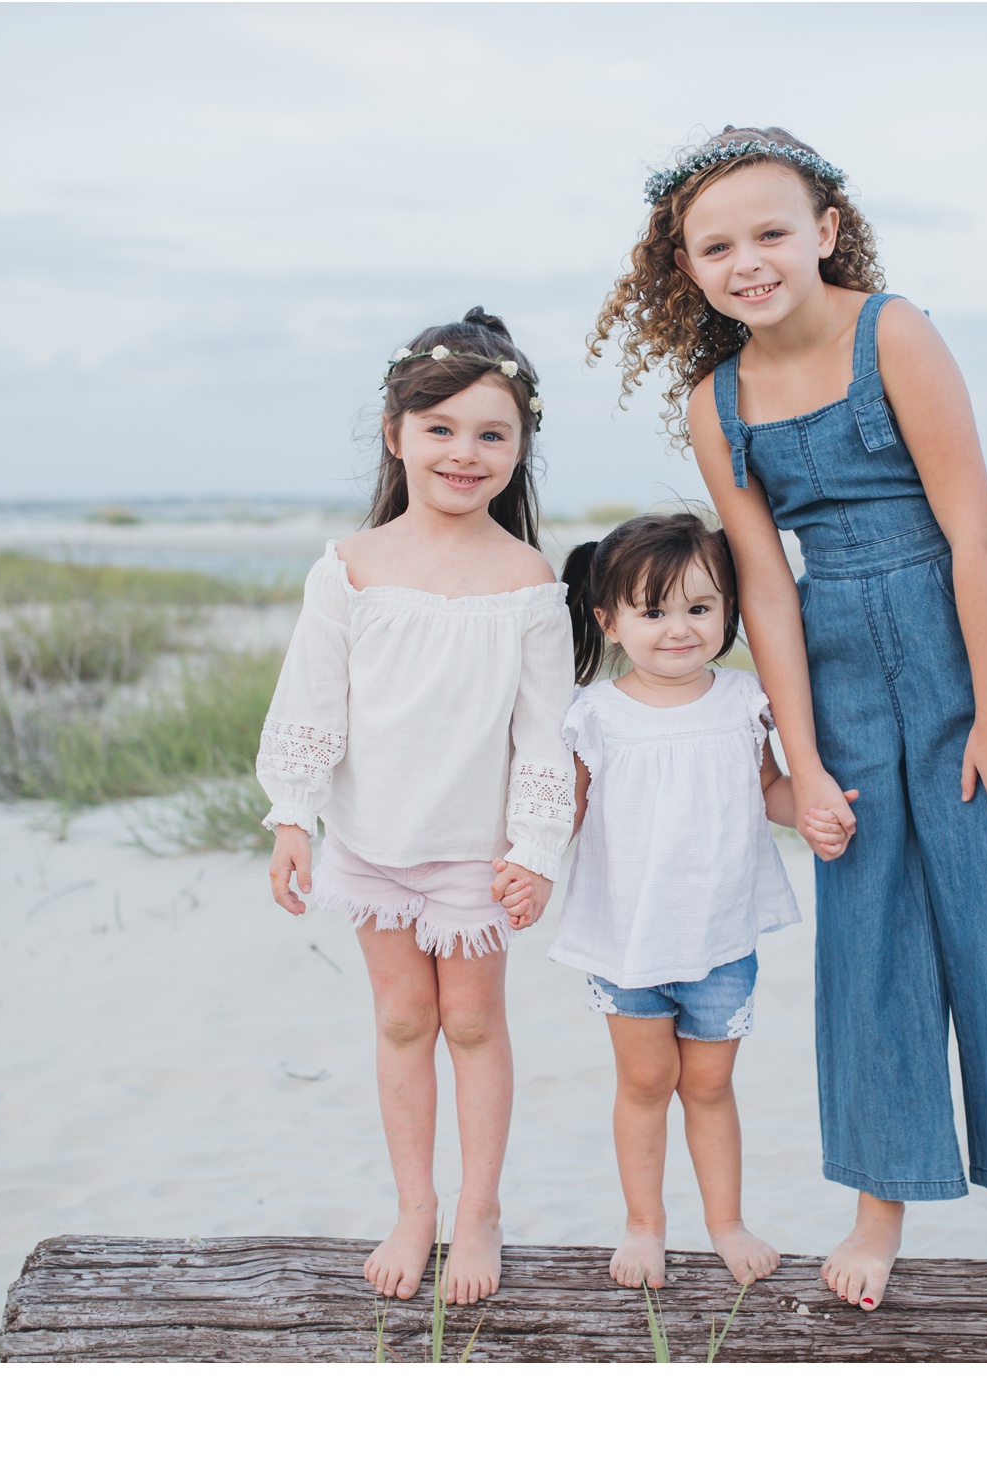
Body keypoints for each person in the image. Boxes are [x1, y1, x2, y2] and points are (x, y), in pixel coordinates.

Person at [588, 129, 987, 1353]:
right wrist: (803, 754)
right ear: (682, 268)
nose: (748, 261)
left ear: (825, 230)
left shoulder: (893, 332)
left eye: (770, 232)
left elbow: (976, 532)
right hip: (834, 667)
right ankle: (877, 1206)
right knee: (871, 938)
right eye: (714, 245)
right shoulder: (712, 400)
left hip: (959, 651)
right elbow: (766, 593)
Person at [258, 308, 573, 1306]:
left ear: (520, 449)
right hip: (373, 840)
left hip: (474, 852)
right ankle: (414, 1203)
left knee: (473, 1022)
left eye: (491, 433)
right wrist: (292, 814)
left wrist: (534, 847)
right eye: (439, 428)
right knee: (401, 1018)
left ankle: (478, 1207)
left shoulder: (527, 581)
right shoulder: (349, 567)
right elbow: (310, 701)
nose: (464, 452)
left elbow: (542, 735)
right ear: (395, 434)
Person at [545, 512, 847, 1290]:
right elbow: (564, 814)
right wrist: (525, 864)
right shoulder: (596, 714)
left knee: (710, 1086)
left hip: (720, 936)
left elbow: (772, 790)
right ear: (610, 620)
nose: (678, 629)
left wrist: (809, 814)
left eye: (699, 608)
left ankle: (725, 1220)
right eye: (653, 612)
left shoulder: (746, 701)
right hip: (628, 941)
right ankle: (645, 1224)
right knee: (645, 1084)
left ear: (730, 612)